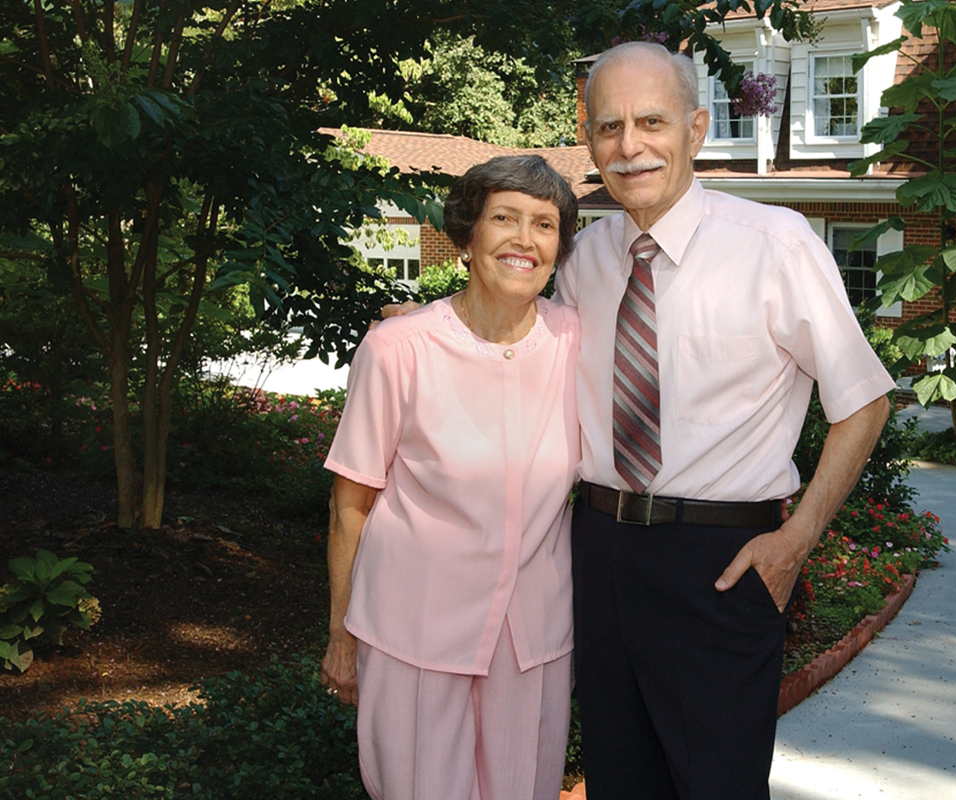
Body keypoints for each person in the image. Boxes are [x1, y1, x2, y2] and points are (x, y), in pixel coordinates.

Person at [556, 42, 895, 800]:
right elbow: (517, 347)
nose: (629, 145)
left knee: (718, 785)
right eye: (608, 126)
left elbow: (864, 402)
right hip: (599, 549)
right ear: (588, 139)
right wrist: (432, 325)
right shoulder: (582, 258)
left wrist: (795, 542)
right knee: (620, 778)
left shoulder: (774, 244)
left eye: (651, 121)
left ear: (698, 128)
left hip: (720, 561)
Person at [320, 155, 581, 800]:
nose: (525, 239)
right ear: (466, 236)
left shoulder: (578, 339)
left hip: (532, 643)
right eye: (504, 219)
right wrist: (340, 635)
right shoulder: (397, 348)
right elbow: (350, 502)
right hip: (414, 630)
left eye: (544, 225)